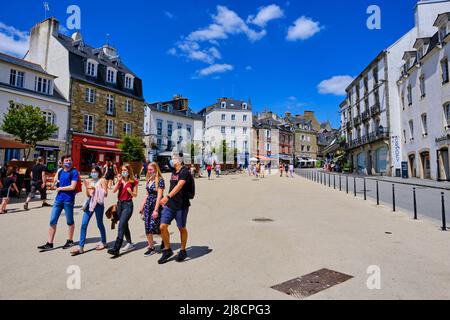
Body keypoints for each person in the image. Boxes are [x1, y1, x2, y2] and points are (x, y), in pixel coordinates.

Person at [37, 155, 79, 251]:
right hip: (58, 200)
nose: (68, 161)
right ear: (62, 162)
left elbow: (72, 187)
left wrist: (60, 188)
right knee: (52, 220)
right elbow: (56, 181)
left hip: (68, 200)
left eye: (70, 160)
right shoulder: (60, 171)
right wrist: (55, 184)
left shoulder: (74, 172)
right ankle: (49, 243)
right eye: (66, 160)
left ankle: (70, 241)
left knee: (69, 221)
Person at [158, 155, 192, 264]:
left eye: (174, 159)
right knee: (162, 226)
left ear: (179, 161)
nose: (172, 160)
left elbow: (179, 185)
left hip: (181, 205)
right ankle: (167, 250)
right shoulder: (174, 170)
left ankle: (182, 250)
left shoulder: (184, 171)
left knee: (181, 228)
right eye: (172, 159)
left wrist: (167, 197)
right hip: (170, 205)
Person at [71, 166, 108, 256]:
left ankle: (104, 241)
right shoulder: (90, 181)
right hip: (90, 204)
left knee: (99, 224)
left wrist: (97, 189)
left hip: (99, 204)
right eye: (92, 172)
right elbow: (88, 194)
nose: (93, 173)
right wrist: (87, 187)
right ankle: (81, 247)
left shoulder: (102, 180)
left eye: (95, 171)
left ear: (99, 172)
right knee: (84, 224)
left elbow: (106, 193)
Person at [107, 164, 139, 258]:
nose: (123, 172)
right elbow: (113, 191)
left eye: (125, 170)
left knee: (121, 224)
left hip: (128, 205)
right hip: (119, 205)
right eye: (122, 170)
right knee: (124, 225)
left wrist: (130, 191)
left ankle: (116, 248)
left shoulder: (134, 181)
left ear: (129, 171)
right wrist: (119, 181)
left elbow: (135, 195)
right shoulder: (120, 181)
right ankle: (130, 243)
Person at [139, 162, 165, 257]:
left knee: (156, 227)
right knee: (147, 227)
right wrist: (142, 207)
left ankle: (165, 240)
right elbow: (146, 195)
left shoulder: (160, 180)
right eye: (148, 170)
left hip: (156, 205)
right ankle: (151, 247)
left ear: (155, 169)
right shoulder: (148, 180)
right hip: (148, 206)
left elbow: (159, 196)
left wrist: (156, 210)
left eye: (151, 169)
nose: (149, 171)